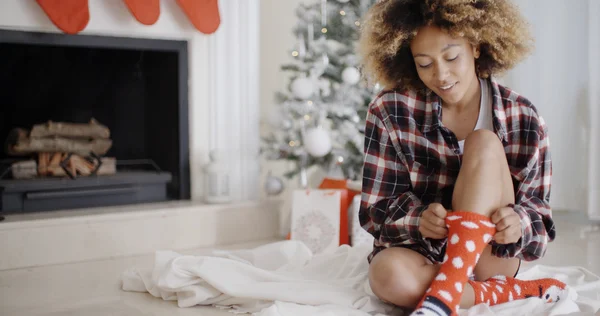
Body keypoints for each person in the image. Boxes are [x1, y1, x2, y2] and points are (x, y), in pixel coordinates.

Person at [356, 0, 566, 315]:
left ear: (476, 46)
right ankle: (490, 293)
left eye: (452, 56)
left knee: (483, 142)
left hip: (490, 256)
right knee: (386, 277)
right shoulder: (390, 109)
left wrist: (518, 224)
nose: (441, 75)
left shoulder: (523, 116)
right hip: (423, 254)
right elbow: (375, 212)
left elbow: (540, 221)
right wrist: (418, 221)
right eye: (424, 63)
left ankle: (447, 290)